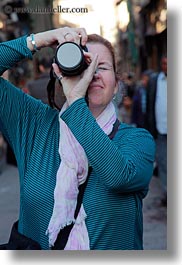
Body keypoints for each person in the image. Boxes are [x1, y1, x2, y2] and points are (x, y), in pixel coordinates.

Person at [0, 27, 155, 250]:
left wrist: (76, 102)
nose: (92, 74)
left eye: (101, 67)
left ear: (117, 86)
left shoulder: (137, 140)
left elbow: (118, 176)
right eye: (84, 66)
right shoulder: (35, 124)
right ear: (61, 75)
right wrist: (40, 40)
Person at [146, 56, 167, 204]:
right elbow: (149, 105)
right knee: (163, 163)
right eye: (164, 63)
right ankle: (167, 193)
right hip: (160, 130)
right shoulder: (154, 81)